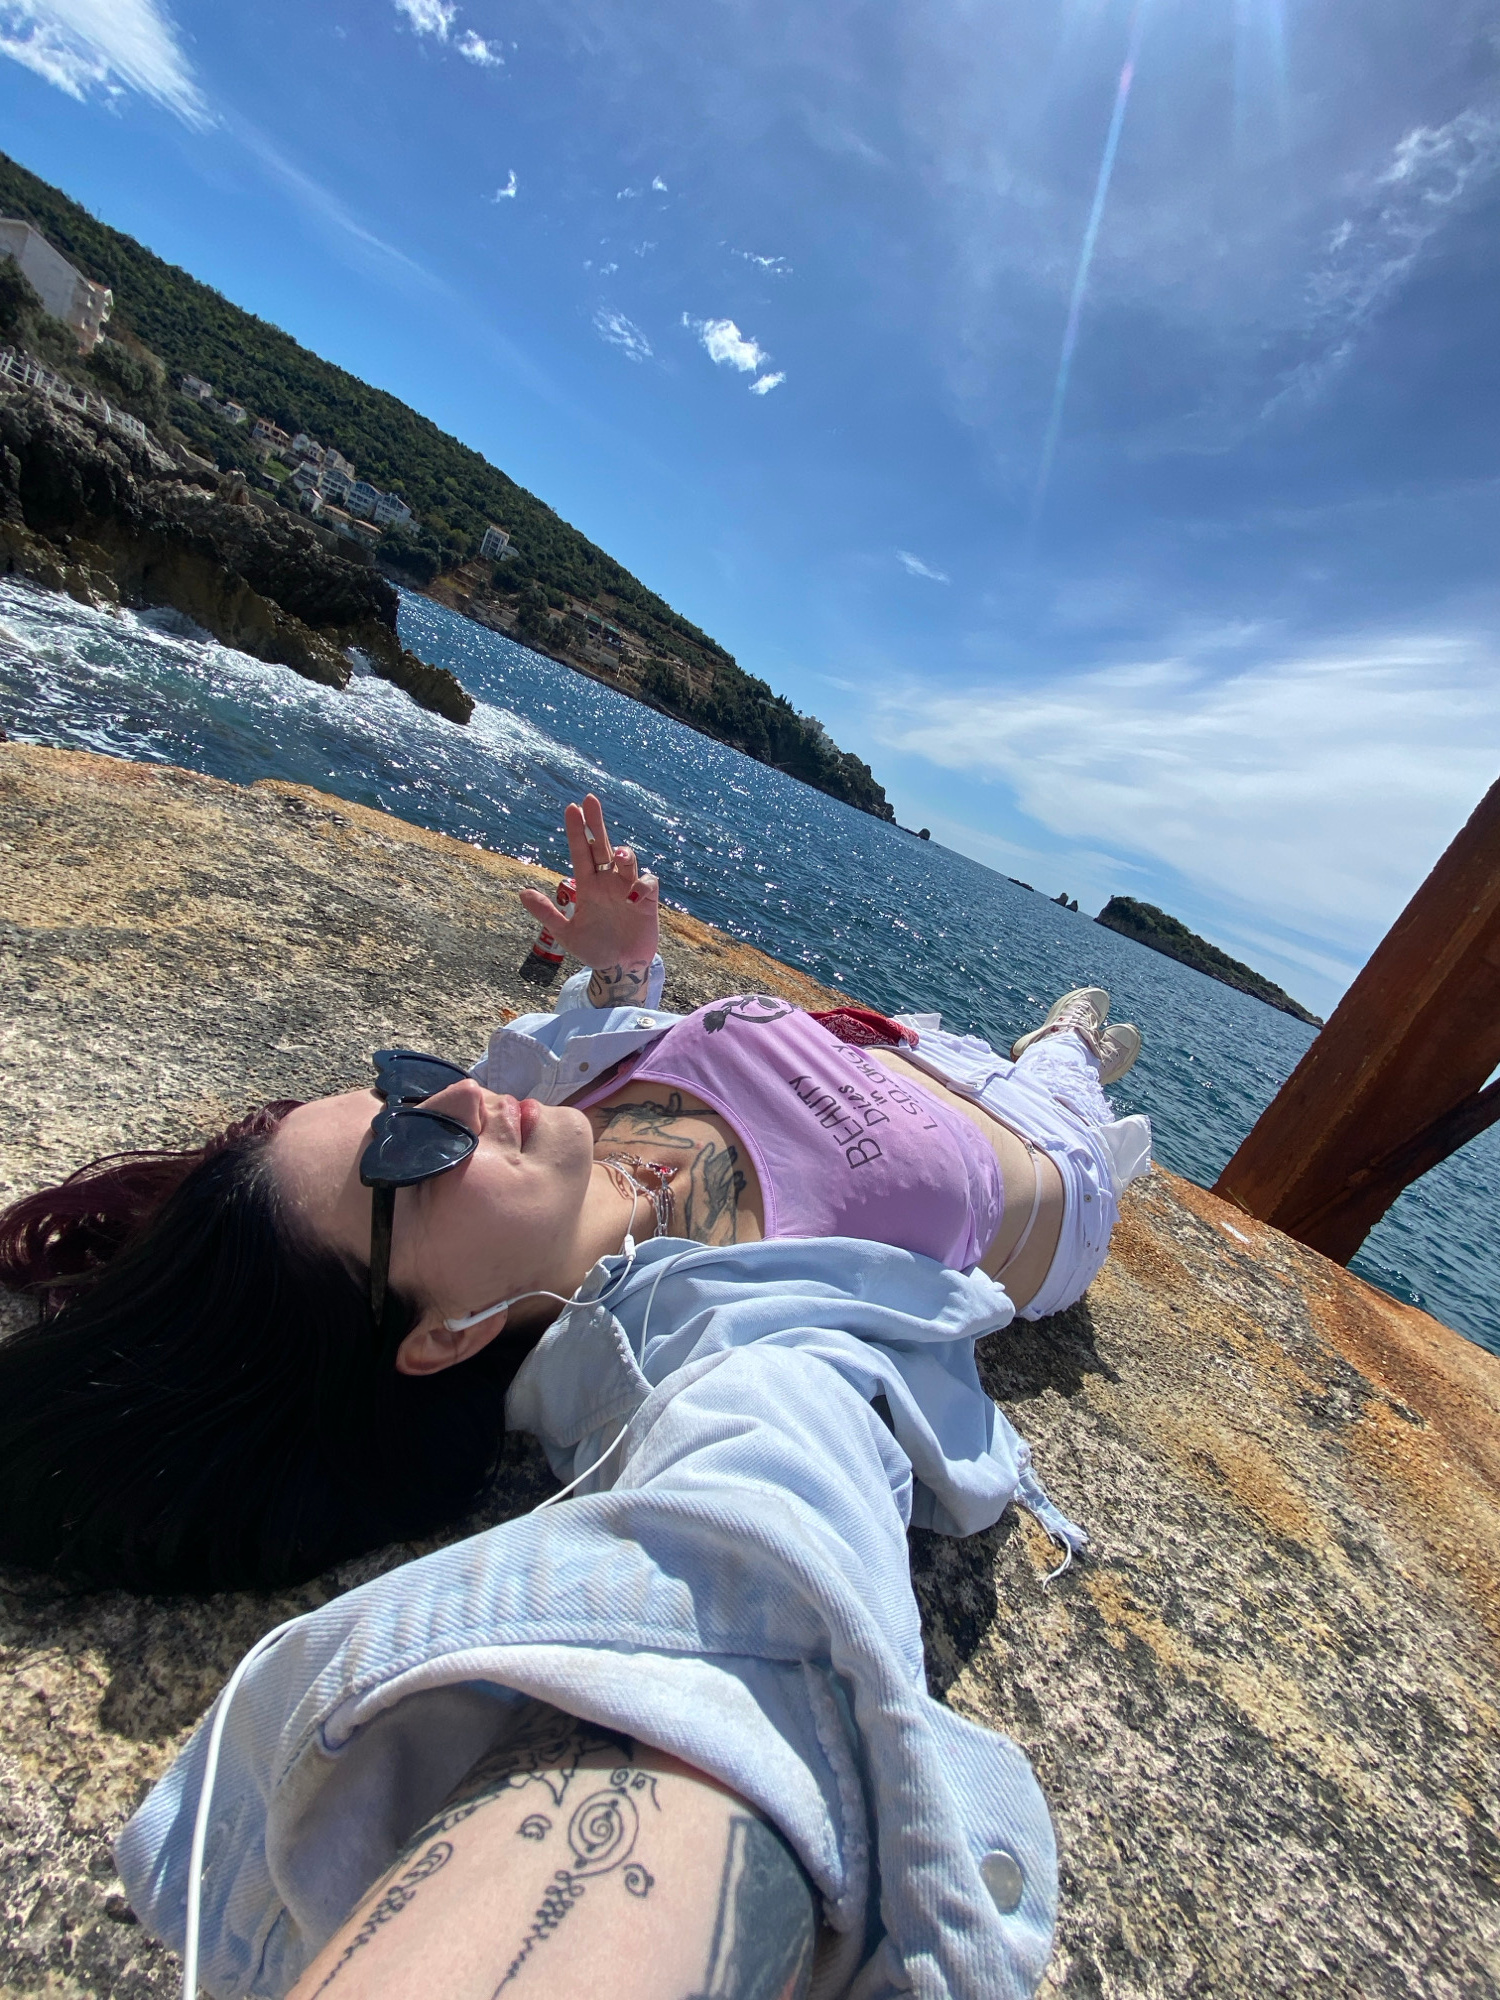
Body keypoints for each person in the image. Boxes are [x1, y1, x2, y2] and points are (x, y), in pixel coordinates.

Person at [2, 795, 1152, 1999]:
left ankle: (1055, 1035)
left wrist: (620, 966)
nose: (450, 1101)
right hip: (1047, 1153)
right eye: (408, 1158)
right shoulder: (711, 1341)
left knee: (1015, 1044)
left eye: (399, 1094)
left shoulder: (539, 1109)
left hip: (893, 1038)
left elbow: (619, 1044)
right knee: (1067, 1068)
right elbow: (747, 1580)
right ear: (445, 1336)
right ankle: (1069, 1048)